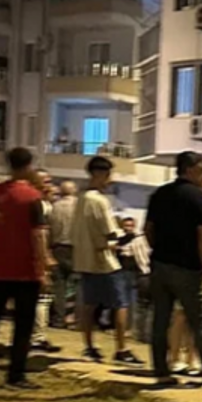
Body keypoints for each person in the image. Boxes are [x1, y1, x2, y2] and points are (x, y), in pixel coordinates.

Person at [0, 148, 50, 388]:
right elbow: (38, 235)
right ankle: (16, 375)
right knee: (23, 325)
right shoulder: (33, 197)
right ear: (29, 166)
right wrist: (43, 268)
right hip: (24, 270)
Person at [145, 151, 202, 386]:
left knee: (161, 319)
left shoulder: (160, 193)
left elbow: (148, 229)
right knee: (199, 322)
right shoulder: (198, 197)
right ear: (190, 169)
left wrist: (159, 250)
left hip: (160, 264)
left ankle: (161, 370)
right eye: (201, 169)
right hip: (188, 267)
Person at [73, 156, 141, 365]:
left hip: (85, 260)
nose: (110, 180)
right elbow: (111, 232)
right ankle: (121, 349)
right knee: (121, 303)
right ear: (100, 174)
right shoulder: (99, 201)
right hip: (104, 261)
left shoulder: (81, 198)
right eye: (108, 175)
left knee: (89, 304)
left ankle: (89, 346)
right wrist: (128, 236)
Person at [29, 168, 62, 354]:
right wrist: (45, 257)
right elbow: (40, 234)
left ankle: (37, 335)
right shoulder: (37, 204)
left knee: (42, 298)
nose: (50, 185)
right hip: (38, 255)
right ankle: (37, 337)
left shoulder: (43, 203)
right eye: (46, 181)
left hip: (42, 251)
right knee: (42, 297)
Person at [47, 180, 79, 328]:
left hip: (58, 247)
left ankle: (58, 318)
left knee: (59, 285)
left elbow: (49, 229)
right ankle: (72, 318)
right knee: (76, 284)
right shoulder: (79, 206)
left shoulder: (54, 207)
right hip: (76, 248)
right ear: (75, 190)